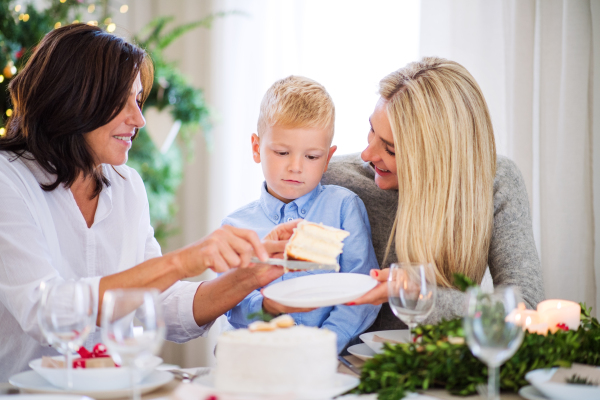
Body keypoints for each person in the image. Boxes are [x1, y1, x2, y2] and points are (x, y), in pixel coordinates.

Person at [0, 24, 295, 381]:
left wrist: (251, 276)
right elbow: (46, 310)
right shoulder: (8, 181)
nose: (138, 119)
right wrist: (186, 259)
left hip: (112, 388)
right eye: (120, 101)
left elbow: (158, 303)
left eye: (137, 101)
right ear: (72, 98)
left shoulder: (127, 186)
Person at [322, 57, 545, 331]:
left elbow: (527, 310)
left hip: (446, 366)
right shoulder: (331, 179)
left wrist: (420, 296)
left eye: (390, 149)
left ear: (437, 159)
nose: (367, 154)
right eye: (371, 129)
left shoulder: (494, 181)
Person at [221, 76, 380, 352]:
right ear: (257, 148)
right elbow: (226, 303)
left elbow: (363, 289)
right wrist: (264, 306)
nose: (296, 167)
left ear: (328, 158)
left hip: (329, 361)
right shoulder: (235, 227)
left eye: (312, 157)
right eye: (282, 152)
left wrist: (324, 344)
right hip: (259, 360)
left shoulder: (344, 207)